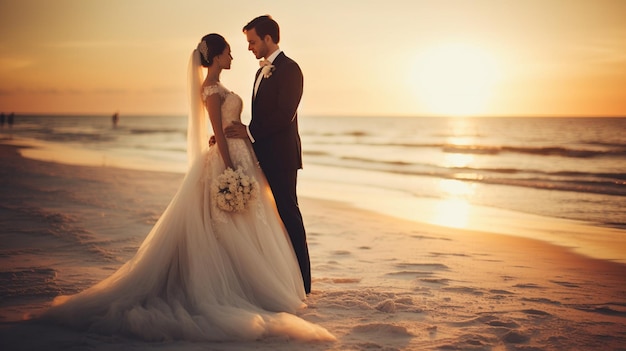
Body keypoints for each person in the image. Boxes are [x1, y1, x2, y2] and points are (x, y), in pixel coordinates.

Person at [38, 33, 334, 342]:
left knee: (255, 219)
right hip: (230, 158)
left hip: (244, 154)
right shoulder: (211, 90)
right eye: (230, 52)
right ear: (217, 56)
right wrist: (229, 163)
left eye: (246, 44)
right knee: (231, 222)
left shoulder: (241, 81)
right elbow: (219, 132)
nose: (236, 55)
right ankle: (245, 284)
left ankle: (274, 281)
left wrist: (240, 140)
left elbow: (237, 124)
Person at [225, 15, 311, 294]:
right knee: (271, 219)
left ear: (268, 39)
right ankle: (281, 278)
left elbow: (285, 115)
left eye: (252, 41)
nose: (249, 47)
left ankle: (304, 283)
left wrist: (249, 132)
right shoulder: (259, 72)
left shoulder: (290, 69)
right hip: (261, 154)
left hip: (282, 157)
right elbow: (261, 115)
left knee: (289, 214)